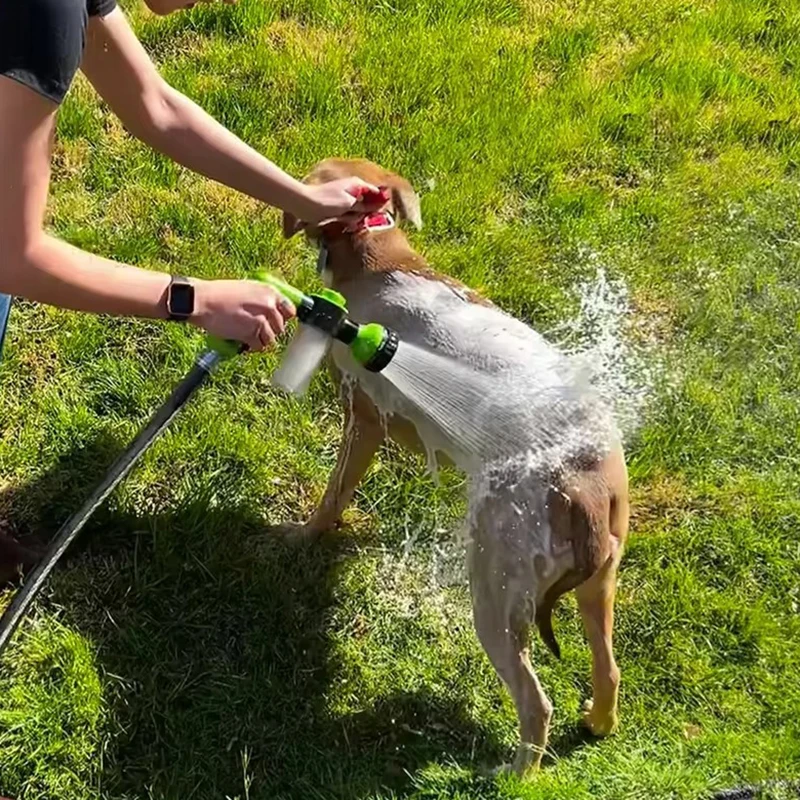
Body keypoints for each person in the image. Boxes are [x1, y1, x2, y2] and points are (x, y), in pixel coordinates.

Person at [0, 0, 379, 581]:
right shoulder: (38, 16)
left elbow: (156, 106)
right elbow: (11, 255)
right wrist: (196, 300)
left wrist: (304, 200)